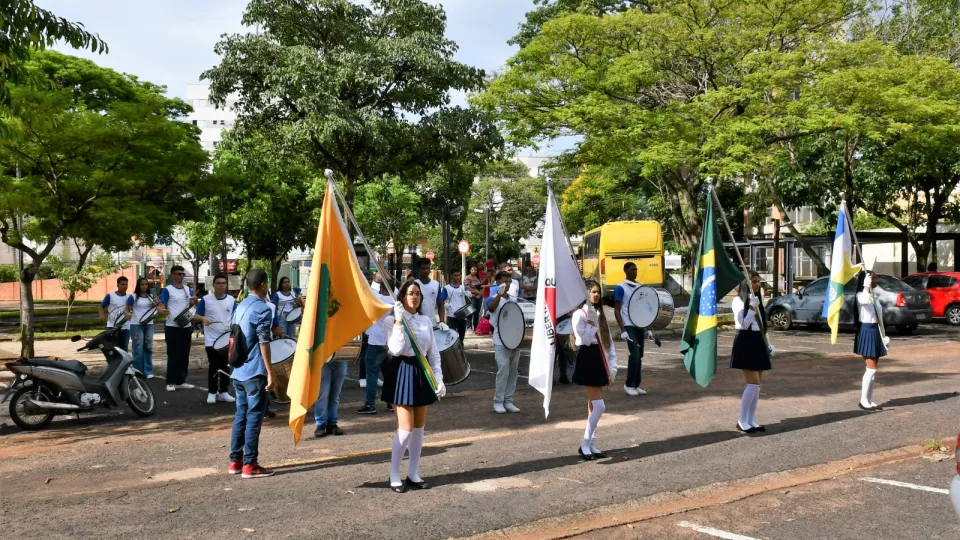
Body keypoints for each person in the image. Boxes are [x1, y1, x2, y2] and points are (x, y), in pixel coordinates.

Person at [381, 280, 447, 492]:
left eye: (418, 293)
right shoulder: (391, 321)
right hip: (401, 372)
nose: (415, 297)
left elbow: (433, 352)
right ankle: (394, 474)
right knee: (405, 429)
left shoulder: (425, 320)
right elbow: (396, 349)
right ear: (402, 297)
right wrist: (399, 322)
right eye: (411, 293)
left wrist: (439, 378)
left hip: (421, 372)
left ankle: (413, 473)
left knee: (419, 428)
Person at [228, 269, 276, 479]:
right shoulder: (263, 309)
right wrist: (270, 372)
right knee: (254, 417)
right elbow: (264, 342)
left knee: (240, 416)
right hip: (255, 371)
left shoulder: (239, 306)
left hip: (238, 370)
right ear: (264, 285)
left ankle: (235, 461)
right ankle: (250, 465)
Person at [571, 280, 618, 460]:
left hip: (599, 360)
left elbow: (608, 343)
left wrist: (613, 365)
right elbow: (584, 339)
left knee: (593, 406)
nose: (596, 295)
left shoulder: (600, 314)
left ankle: (591, 444)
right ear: (586, 294)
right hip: (586, 358)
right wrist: (591, 321)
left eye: (598, 292)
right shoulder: (579, 314)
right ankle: (584, 445)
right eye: (593, 292)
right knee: (600, 405)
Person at [730, 273, 774, 433]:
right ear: (746, 284)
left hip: (758, 340)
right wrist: (750, 308)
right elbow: (743, 324)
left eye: (758, 282)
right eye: (754, 282)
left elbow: (761, 326)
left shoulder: (757, 301)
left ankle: (751, 420)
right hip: (745, 341)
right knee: (753, 383)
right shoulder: (738, 301)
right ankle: (742, 420)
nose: (757, 285)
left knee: (757, 385)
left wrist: (768, 343)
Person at [195, 274, 236, 405]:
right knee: (214, 366)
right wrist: (203, 319)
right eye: (218, 283)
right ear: (213, 285)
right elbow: (196, 316)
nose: (221, 285)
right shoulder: (206, 300)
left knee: (226, 366)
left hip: (227, 338)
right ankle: (212, 392)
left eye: (224, 283)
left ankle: (224, 392)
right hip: (211, 339)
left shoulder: (231, 299)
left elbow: (236, 316)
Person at [486, 271, 522, 414]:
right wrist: (500, 295)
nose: (507, 284)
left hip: (514, 339)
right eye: (504, 281)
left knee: (513, 372)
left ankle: (508, 400)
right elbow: (491, 308)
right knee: (503, 371)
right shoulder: (492, 298)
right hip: (500, 340)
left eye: (509, 282)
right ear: (498, 282)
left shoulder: (513, 299)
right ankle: (498, 401)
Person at [158, 266, 198, 392]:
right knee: (173, 354)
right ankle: (170, 381)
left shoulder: (187, 289)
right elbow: (161, 305)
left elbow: (192, 303)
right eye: (179, 274)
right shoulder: (167, 290)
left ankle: (181, 380)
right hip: (172, 326)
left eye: (182, 274)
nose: (181, 276)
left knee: (184, 354)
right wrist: (161, 310)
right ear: (173, 275)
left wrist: (195, 301)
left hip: (186, 325)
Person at [358, 280, 394, 415]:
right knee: (388, 374)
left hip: (375, 341)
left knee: (371, 374)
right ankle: (391, 402)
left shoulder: (379, 299)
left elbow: (365, 290)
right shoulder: (395, 301)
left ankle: (370, 404)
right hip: (389, 342)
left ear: (382, 289)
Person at [854, 270, 888, 412]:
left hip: (875, 331)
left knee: (873, 370)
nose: (876, 280)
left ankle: (869, 399)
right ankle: (863, 400)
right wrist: (866, 287)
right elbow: (864, 301)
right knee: (871, 369)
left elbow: (879, 317)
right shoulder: (861, 295)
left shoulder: (874, 296)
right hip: (866, 330)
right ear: (865, 281)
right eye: (872, 278)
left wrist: (883, 335)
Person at [613, 262, 647, 396]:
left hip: (639, 324)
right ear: (626, 271)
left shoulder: (639, 287)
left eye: (636, 269)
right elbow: (617, 310)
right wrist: (622, 330)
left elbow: (643, 308)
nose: (635, 271)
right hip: (628, 324)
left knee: (640, 356)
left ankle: (636, 384)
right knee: (635, 355)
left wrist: (647, 327)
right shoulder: (620, 288)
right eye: (632, 269)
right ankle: (629, 384)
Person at [125, 277, 160, 378]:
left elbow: (158, 308)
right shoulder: (133, 296)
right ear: (138, 285)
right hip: (136, 324)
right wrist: (128, 314)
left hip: (149, 324)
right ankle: (138, 371)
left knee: (148, 347)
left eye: (146, 284)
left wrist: (157, 304)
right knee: (138, 348)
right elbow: (126, 309)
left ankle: (148, 371)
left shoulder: (151, 296)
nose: (144, 286)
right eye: (142, 284)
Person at [314, 353, 348, 437]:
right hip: (323, 359)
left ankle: (332, 424)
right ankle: (321, 424)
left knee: (335, 395)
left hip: (341, 358)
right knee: (323, 394)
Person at [415, 258, 448, 331]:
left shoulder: (436, 284)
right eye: (423, 268)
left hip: (432, 324)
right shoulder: (414, 284)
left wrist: (442, 321)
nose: (426, 271)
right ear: (418, 269)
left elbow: (440, 304)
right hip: (417, 324)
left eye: (427, 268)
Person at [99, 276, 131, 352]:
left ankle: (124, 363)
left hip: (126, 327)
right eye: (122, 284)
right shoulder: (110, 296)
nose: (125, 286)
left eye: (126, 284)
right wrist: (101, 315)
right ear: (118, 285)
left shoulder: (130, 297)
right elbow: (101, 306)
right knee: (112, 348)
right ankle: (113, 363)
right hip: (112, 326)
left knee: (124, 348)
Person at [440, 270, 469, 342]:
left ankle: (461, 351)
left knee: (461, 337)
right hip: (451, 316)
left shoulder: (463, 288)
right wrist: (445, 304)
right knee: (451, 336)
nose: (458, 277)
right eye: (456, 275)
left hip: (462, 315)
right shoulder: (447, 288)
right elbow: (441, 300)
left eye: (459, 275)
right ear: (452, 276)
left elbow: (469, 297)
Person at [464, 266, 484, 331]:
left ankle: (476, 327)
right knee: (470, 311)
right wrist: (477, 293)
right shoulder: (467, 278)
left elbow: (481, 287)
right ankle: (469, 327)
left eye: (475, 270)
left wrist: (480, 294)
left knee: (477, 312)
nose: (474, 271)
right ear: (470, 270)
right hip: (471, 296)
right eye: (473, 270)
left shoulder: (478, 278)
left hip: (479, 297)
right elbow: (468, 287)